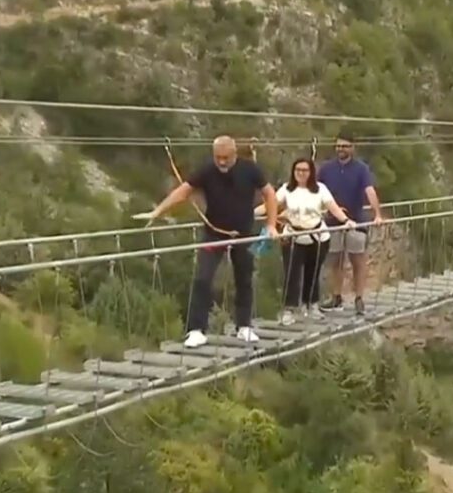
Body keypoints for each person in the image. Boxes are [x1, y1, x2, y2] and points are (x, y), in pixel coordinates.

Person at [134, 135, 279, 348]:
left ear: (234, 154)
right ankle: (196, 330)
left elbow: (270, 194)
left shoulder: (250, 169)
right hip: (214, 232)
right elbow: (183, 192)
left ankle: (244, 326)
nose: (221, 162)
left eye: (226, 158)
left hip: (244, 232)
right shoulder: (207, 170)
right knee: (202, 278)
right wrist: (157, 211)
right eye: (218, 157)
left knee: (244, 279)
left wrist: (271, 225)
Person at [255, 157, 356, 326]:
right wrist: (250, 213)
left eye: (305, 170)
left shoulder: (320, 189)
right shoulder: (286, 190)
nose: (301, 173)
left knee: (313, 272)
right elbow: (269, 206)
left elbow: (333, 207)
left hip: (318, 237)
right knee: (291, 274)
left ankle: (311, 305)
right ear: (293, 172)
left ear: (311, 172)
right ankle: (289, 309)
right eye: (298, 170)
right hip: (293, 237)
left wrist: (346, 220)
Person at [317, 131, 383, 316]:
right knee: (335, 260)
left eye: (345, 146)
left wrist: (377, 214)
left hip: (356, 221)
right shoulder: (327, 168)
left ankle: (359, 298)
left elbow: (369, 190)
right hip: (333, 221)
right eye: (338, 146)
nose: (341, 149)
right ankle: (337, 297)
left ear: (352, 148)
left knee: (357, 260)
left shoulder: (361, 169)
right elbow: (317, 190)